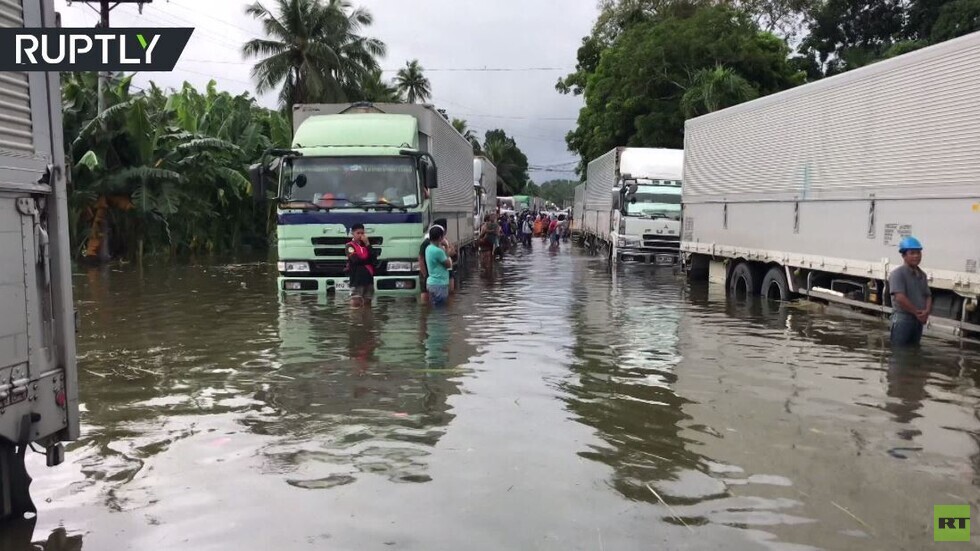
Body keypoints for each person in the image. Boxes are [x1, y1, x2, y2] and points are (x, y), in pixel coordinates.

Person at [888, 236, 932, 346]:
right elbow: (900, 298)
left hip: (918, 320)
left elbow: (928, 295)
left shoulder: (922, 275)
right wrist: (917, 313)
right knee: (899, 354)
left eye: (918, 253)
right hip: (903, 319)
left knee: (913, 351)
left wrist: (926, 311)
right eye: (912, 253)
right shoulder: (897, 274)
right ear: (903, 255)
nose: (916, 256)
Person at [345, 223, 377, 307]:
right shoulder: (349, 246)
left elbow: (374, 258)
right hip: (356, 278)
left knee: (367, 302)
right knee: (356, 302)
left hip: (368, 277)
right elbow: (355, 260)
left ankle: (366, 319)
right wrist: (368, 260)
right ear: (353, 233)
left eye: (362, 233)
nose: (360, 235)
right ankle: (355, 320)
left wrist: (367, 244)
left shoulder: (366, 246)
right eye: (358, 233)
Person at [425, 225, 453, 306]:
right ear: (440, 237)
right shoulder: (438, 251)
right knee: (440, 311)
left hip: (431, 283)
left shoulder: (428, 248)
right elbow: (448, 264)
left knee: (435, 309)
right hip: (439, 284)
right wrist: (447, 246)